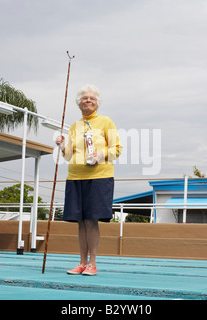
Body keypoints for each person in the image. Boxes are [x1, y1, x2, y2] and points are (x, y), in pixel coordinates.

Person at [55, 84, 122, 276]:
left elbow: (117, 149)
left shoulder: (106, 122)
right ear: (79, 103)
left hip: (99, 177)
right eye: (85, 98)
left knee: (92, 220)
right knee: (80, 221)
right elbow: (68, 156)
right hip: (75, 177)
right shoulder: (75, 126)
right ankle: (82, 263)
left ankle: (92, 263)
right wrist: (61, 146)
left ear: (97, 103)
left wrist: (100, 155)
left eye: (92, 98)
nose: (88, 101)